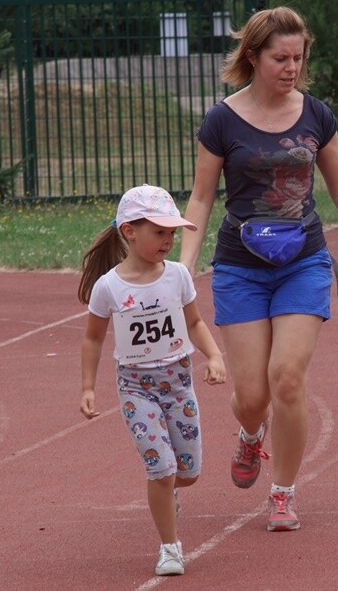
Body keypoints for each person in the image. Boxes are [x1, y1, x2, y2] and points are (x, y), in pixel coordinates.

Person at [179, 6, 338, 532]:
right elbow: (201, 199)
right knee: (251, 398)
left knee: (287, 378)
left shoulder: (317, 114)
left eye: (298, 57)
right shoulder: (222, 119)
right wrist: (184, 263)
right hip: (240, 267)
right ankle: (251, 435)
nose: (291, 67)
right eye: (280, 58)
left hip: (303, 261)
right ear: (253, 57)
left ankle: (283, 492)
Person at [77, 184, 226, 576]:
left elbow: (194, 321)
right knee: (160, 468)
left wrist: (213, 355)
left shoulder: (177, 276)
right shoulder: (108, 286)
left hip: (178, 383)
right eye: (159, 232)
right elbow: (93, 338)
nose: (169, 240)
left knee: (187, 472)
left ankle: (171, 492)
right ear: (129, 230)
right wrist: (89, 387)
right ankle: (170, 547)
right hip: (135, 387)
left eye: (172, 233)